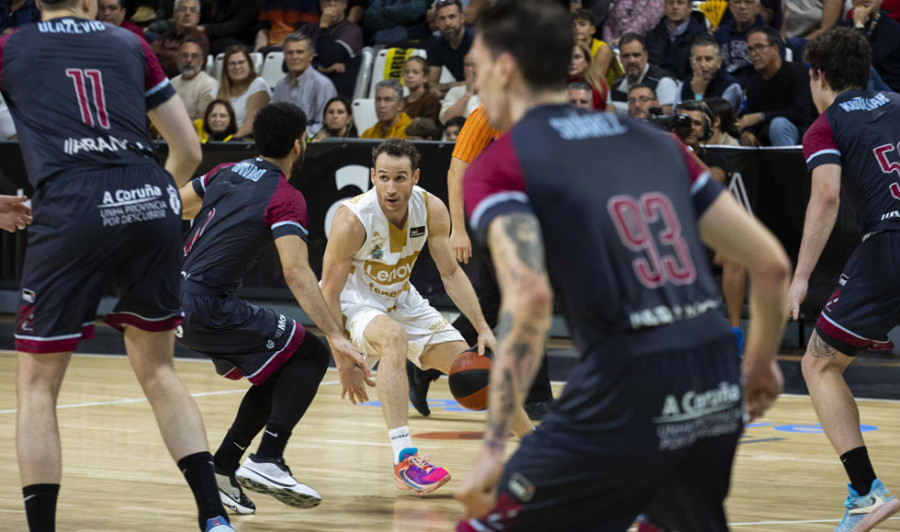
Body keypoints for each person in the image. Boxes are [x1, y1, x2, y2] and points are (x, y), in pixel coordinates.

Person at [454, 2, 790, 531]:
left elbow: (532, 301)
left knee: (486, 525)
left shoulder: (501, 164)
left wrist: (493, 446)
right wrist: (761, 363)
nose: (473, 86)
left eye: (475, 68)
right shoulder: (655, 142)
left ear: (504, 68)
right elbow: (769, 264)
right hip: (716, 377)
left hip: (627, 384)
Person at [0, 0, 234, 530]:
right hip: (150, 197)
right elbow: (190, 151)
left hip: (73, 202)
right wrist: (152, 201)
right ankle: (214, 518)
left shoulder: (12, 45)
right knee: (158, 369)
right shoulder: (131, 43)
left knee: (36, 385)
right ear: (90, 2)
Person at [177, 102, 370, 515]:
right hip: (209, 304)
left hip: (174, 299)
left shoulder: (223, 172)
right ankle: (268, 458)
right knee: (312, 352)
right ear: (299, 144)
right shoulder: (285, 196)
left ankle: (224, 468)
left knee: (280, 364)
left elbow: (177, 206)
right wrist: (336, 335)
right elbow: (296, 272)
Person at [320, 138, 534, 495]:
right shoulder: (352, 219)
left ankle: (539, 453)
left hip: (402, 299)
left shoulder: (431, 209)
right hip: (354, 304)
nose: (391, 188)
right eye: (384, 177)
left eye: (400, 178)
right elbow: (328, 289)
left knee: (480, 369)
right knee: (392, 337)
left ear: (415, 176)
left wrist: (482, 327)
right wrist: (339, 350)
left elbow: (451, 274)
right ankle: (404, 457)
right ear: (373, 176)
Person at [789, 27, 900, 532]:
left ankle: (864, 492)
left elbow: (827, 197)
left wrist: (800, 277)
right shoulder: (898, 101)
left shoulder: (825, 125)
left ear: (819, 76)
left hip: (888, 244)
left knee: (818, 365)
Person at [407, 103, 556, 421]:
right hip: (496, 218)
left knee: (490, 305)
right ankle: (537, 397)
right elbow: (456, 170)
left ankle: (423, 369)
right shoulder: (488, 111)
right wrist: (457, 229)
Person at [738, 26, 817, 147]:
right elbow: (751, 119)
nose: (754, 54)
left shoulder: (798, 72)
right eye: (750, 49)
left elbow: (801, 113)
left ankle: (786, 166)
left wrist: (761, 117)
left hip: (802, 134)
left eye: (759, 47)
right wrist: (747, 133)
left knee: (778, 125)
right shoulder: (754, 84)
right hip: (767, 136)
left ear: (775, 48)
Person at [271, 32, 338, 136]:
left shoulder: (323, 85)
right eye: (290, 52)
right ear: (284, 55)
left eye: (299, 52)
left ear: (311, 55)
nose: (294, 57)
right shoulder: (280, 85)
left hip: (309, 145)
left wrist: (293, 136)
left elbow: (324, 125)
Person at [609, 33, 677, 115]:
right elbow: (609, 118)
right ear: (620, 58)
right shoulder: (616, 85)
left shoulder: (663, 82)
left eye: (636, 55)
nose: (631, 60)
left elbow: (669, 116)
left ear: (645, 56)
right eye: (626, 56)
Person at [839, 0, 900, 92]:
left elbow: (870, 58)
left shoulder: (890, 26)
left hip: (889, 90)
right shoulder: (845, 25)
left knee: (864, 68)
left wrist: (859, 25)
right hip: (855, 87)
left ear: (880, 1)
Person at [675, 36, 743, 114]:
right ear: (691, 62)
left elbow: (717, 122)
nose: (703, 65)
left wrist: (699, 95)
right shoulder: (683, 85)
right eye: (698, 59)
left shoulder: (731, 87)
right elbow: (676, 115)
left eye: (708, 59)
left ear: (719, 62)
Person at [645, 0, 710, 80]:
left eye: (680, 3)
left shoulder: (702, 39)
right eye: (671, 3)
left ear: (689, 7)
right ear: (665, 7)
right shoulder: (652, 36)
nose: (675, 7)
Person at [217, 45, 270, 139]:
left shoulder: (258, 84)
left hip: (246, 142)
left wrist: (226, 141)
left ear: (249, 65)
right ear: (226, 68)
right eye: (232, 63)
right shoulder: (217, 90)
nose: (237, 67)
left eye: (241, 62)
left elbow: (251, 125)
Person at [714, 0, 769, 87]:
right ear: (730, 7)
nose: (742, 7)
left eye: (748, 2)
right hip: (722, 91)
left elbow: (772, 73)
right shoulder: (719, 34)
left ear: (757, 8)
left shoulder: (768, 37)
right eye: (737, 2)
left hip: (754, 91)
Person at [151, 0, 210, 78]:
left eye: (192, 10)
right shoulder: (168, 35)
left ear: (198, 17)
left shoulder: (200, 39)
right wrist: (173, 55)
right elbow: (149, 52)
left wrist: (158, 60)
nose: (187, 14)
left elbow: (180, 66)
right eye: (183, 9)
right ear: (174, 15)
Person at [428, 0, 473, 96]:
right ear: (436, 22)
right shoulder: (437, 45)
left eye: (452, 17)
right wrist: (453, 85)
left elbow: (478, 84)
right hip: (461, 92)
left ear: (462, 18)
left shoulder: (476, 41)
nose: (447, 23)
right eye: (442, 18)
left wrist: (444, 92)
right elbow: (431, 85)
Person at [171, 38, 219, 121]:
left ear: (202, 60)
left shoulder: (210, 85)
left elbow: (203, 124)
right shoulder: (171, 83)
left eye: (194, 56)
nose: (189, 60)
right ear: (176, 57)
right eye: (184, 55)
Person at [571, 8, 621, 87]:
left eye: (582, 24)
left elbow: (595, 82)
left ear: (592, 30)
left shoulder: (603, 48)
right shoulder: (569, 48)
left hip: (609, 94)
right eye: (573, 25)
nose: (576, 28)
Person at [440, 52, 481, 124]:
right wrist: (467, 94)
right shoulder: (455, 91)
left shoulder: (494, 92)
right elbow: (447, 120)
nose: (470, 69)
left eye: (474, 65)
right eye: (467, 65)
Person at [569, 41, 609, 111]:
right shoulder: (555, 83)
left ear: (587, 62)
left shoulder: (597, 85)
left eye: (577, 57)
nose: (572, 62)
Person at [403, 56, 441, 126]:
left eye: (415, 72)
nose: (410, 76)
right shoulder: (402, 101)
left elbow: (430, 128)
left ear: (425, 77)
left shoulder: (430, 100)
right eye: (407, 72)